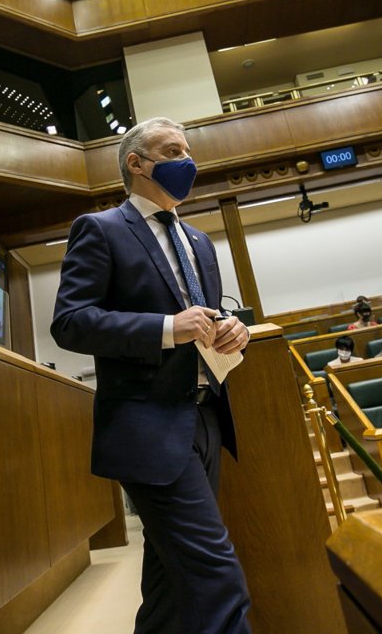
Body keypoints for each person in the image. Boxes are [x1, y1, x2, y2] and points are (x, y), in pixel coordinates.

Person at [51, 117, 252, 634]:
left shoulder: (199, 241)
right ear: (136, 163)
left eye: (188, 151)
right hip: (147, 424)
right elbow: (70, 322)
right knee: (216, 576)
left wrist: (234, 330)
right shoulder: (101, 229)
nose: (188, 161)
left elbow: (204, 317)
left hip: (207, 418)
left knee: (170, 580)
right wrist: (166, 328)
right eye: (174, 151)